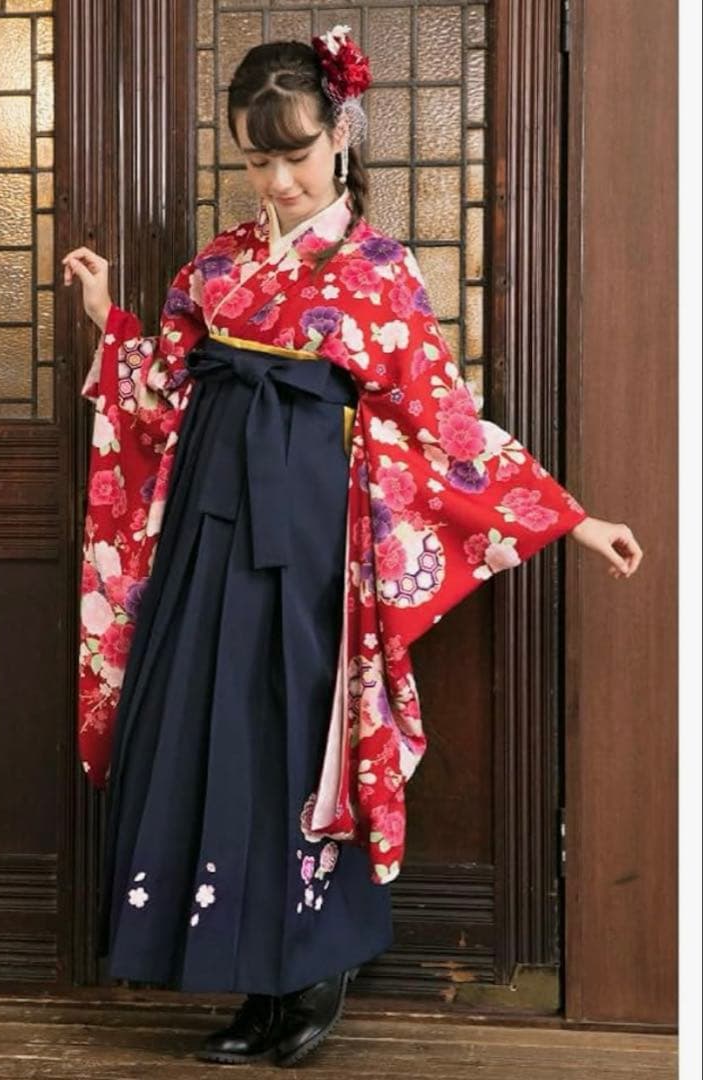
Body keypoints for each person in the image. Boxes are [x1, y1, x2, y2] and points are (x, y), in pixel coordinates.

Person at [62, 27, 643, 1070]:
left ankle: (311, 971)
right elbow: (160, 391)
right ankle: (247, 978)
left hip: (312, 546)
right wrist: (110, 317)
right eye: (256, 160)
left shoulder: (379, 273)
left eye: (294, 154)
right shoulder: (217, 267)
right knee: (210, 734)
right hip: (205, 528)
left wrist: (569, 517)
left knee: (297, 743)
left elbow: (441, 422)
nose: (277, 181)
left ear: (340, 135)